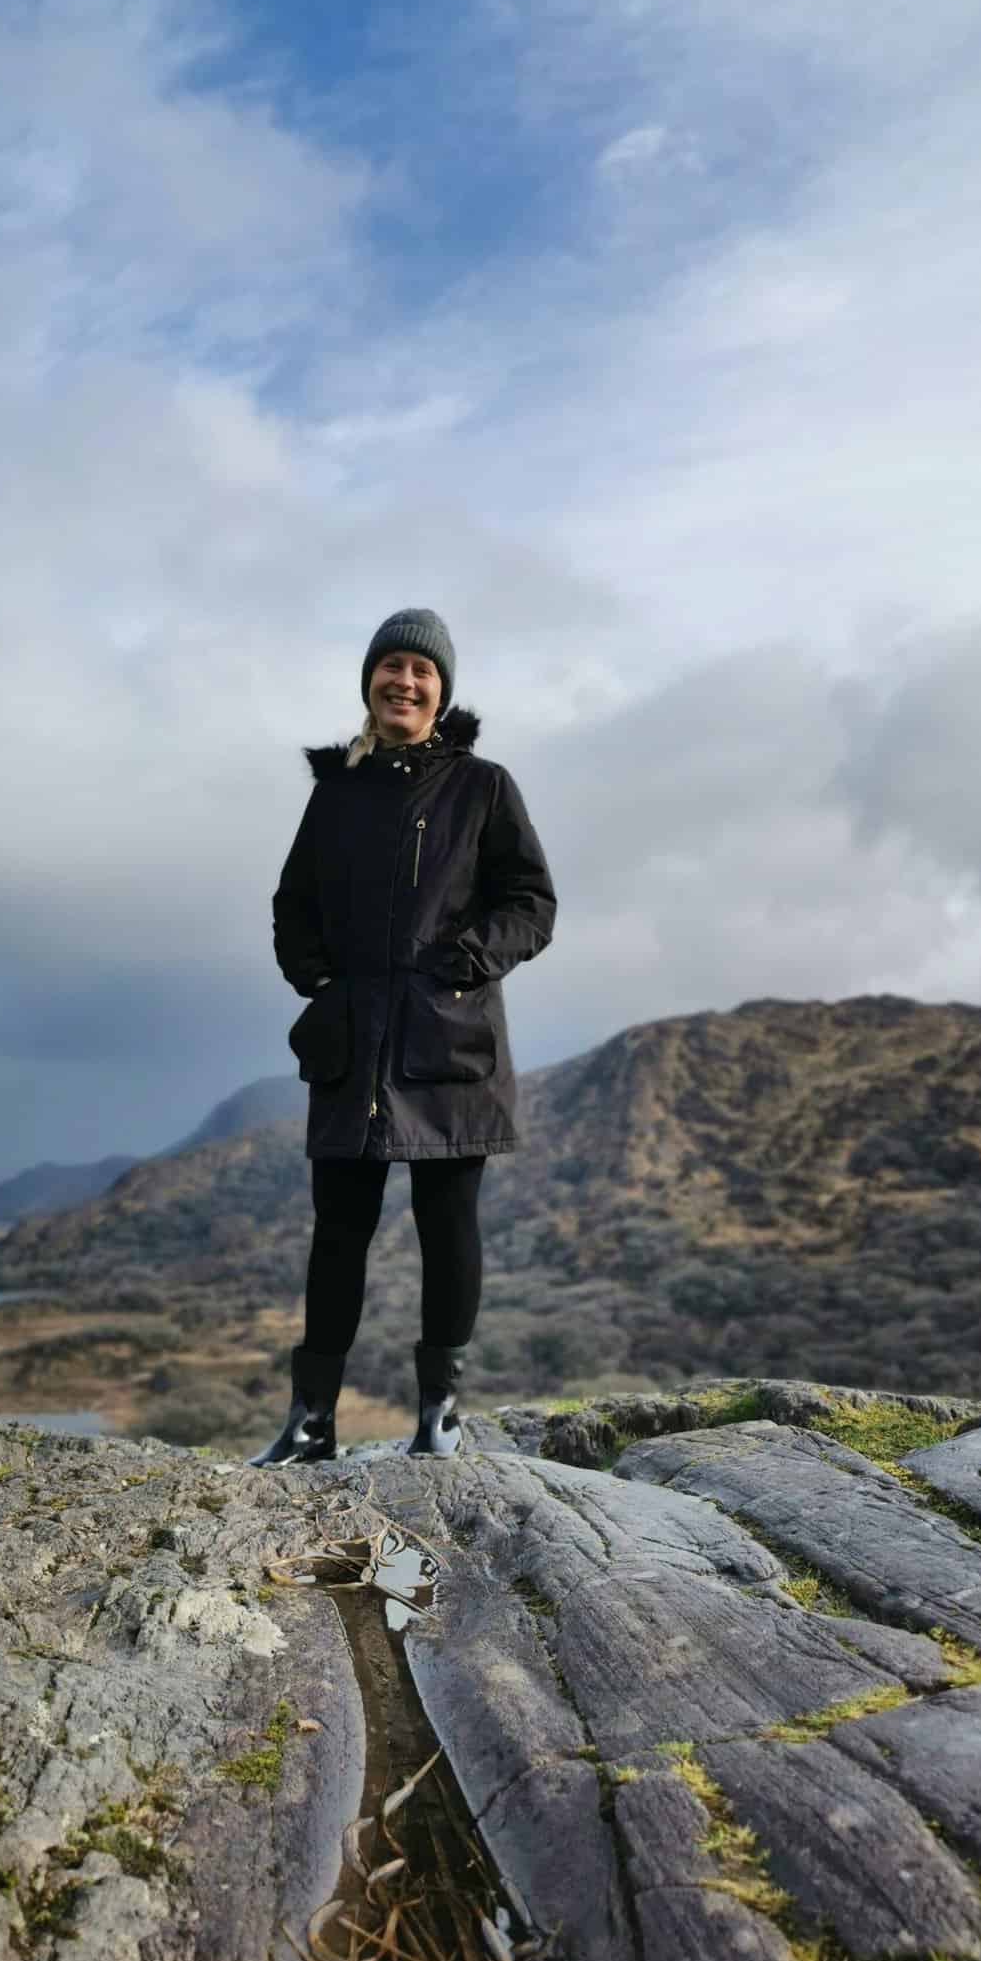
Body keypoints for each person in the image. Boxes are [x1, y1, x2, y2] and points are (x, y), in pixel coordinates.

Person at [251, 608, 557, 1464]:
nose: (405, 682)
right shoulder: (336, 795)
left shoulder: (483, 786)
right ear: (370, 683)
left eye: (422, 671)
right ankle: (311, 1422)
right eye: (391, 667)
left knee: (447, 1223)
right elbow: (292, 905)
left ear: (442, 690)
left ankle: (440, 1416)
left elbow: (531, 903)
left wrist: (466, 961)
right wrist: (317, 978)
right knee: (337, 1232)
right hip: (353, 1041)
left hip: (449, 1039)